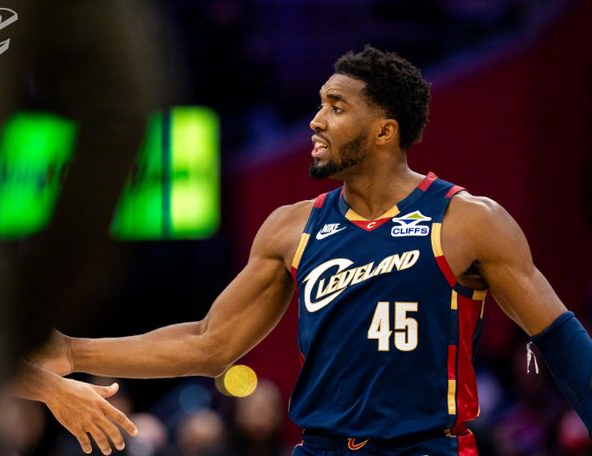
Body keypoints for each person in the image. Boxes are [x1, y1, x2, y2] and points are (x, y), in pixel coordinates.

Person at [30, 46, 592, 455]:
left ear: (384, 131)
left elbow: (559, 338)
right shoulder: (290, 227)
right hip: (321, 447)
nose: (316, 120)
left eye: (336, 107)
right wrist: (73, 353)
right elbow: (209, 343)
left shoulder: (467, 220)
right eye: (320, 104)